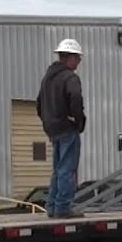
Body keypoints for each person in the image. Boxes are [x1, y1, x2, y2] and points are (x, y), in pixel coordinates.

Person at [36, 38, 87, 218]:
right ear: (69, 57)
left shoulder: (47, 78)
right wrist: (79, 121)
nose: (79, 62)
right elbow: (76, 99)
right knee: (67, 169)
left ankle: (52, 207)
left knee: (58, 169)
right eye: (78, 58)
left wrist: (49, 123)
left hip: (53, 130)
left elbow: (39, 104)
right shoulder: (70, 77)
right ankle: (63, 208)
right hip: (67, 128)